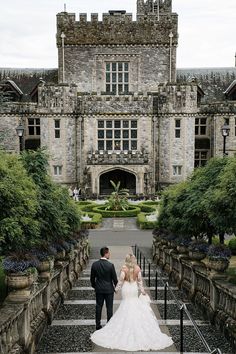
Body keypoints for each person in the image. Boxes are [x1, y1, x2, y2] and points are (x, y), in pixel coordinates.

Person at [91, 253, 173, 351]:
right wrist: (142, 291)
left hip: (126, 289)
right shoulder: (137, 269)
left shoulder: (124, 269)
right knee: (134, 304)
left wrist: (116, 289)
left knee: (125, 305)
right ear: (133, 260)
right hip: (133, 289)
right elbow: (140, 282)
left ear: (126, 260)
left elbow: (121, 281)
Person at [90, 247, 118, 330]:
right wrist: (116, 288)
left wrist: (95, 286)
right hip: (109, 290)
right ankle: (109, 325)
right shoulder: (110, 265)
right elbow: (115, 279)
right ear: (105, 253)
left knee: (98, 307)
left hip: (99, 289)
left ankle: (97, 325)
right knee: (109, 308)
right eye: (108, 253)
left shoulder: (95, 264)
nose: (109, 254)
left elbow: (92, 279)